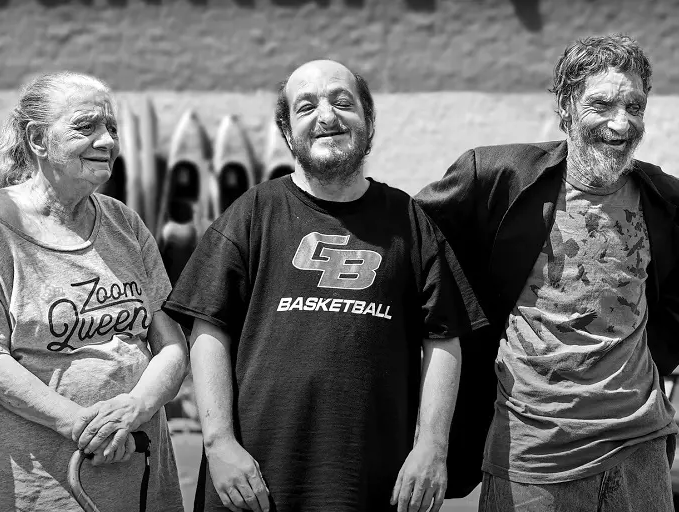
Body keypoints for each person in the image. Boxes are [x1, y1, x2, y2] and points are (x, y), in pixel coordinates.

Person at [163, 59, 486, 512]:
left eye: (341, 101)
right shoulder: (253, 212)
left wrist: (432, 447)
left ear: (368, 120)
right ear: (287, 130)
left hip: (372, 482)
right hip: (252, 481)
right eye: (306, 106)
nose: (326, 117)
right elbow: (208, 331)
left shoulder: (410, 222)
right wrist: (219, 445)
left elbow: (444, 340)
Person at [416, 34, 679, 511]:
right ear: (566, 105)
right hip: (531, 458)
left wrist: (651, 354)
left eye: (634, 106)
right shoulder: (496, 177)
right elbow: (412, 243)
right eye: (601, 104)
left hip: (639, 451)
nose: (621, 123)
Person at [0, 71, 187, 512]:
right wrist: (81, 424)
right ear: (38, 140)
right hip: (44, 480)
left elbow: (171, 344)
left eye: (112, 128)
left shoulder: (125, 222)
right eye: (86, 126)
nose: (107, 141)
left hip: (139, 463)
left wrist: (134, 408)